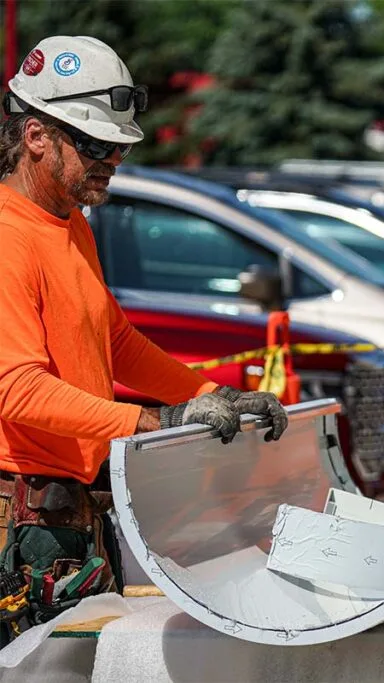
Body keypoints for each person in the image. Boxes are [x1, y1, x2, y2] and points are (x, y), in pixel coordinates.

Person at [0, 36, 288, 641]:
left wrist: (213, 394)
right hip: (22, 525)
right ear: (35, 137)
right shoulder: (8, 237)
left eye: (120, 147)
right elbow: (16, 392)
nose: (112, 159)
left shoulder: (68, 222)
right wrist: (161, 421)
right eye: (96, 144)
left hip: (67, 521)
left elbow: (116, 340)